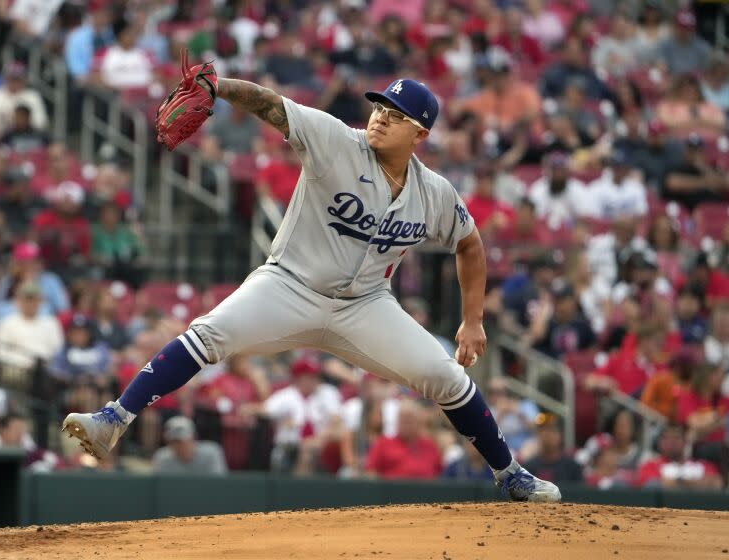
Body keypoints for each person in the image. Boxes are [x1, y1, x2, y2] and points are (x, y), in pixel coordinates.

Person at [64, 68, 561, 501]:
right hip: (289, 286)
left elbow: (470, 244)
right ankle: (113, 420)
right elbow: (271, 105)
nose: (381, 116)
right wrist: (220, 88)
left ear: (420, 133)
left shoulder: (433, 193)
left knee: (448, 377)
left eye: (396, 113)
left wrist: (472, 320)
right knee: (209, 332)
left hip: (365, 306)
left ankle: (510, 474)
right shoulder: (335, 139)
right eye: (380, 106)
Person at [636, 424, 722, 490]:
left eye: (676, 438)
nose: (671, 442)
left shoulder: (702, 465)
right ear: (659, 442)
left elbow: (716, 483)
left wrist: (677, 482)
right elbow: (651, 484)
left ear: (685, 441)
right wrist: (694, 483)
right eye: (667, 438)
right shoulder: (651, 465)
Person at [152, 415, 228, 475]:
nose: (179, 446)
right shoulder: (162, 457)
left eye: (182, 441)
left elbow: (220, 485)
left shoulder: (211, 452)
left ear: (193, 438)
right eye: (174, 442)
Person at [522, 413, 583, 484]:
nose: (546, 434)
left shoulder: (573, 468)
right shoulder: (528, 468)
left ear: (561, 435)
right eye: (542, 430)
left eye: (551, 430)